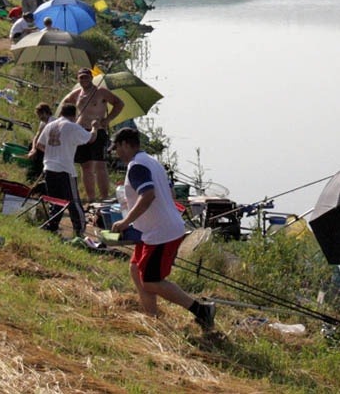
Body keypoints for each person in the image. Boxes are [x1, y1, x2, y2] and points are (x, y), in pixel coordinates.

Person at [110, 127, 215, 330]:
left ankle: (201, 310)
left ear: (125, 144)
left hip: (162, 234)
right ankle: (151, 318)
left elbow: (147, 195)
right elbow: (168, 192)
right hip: (152, 231)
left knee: (151, 281)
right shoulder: (151, 161)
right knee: (135, 268)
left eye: (117, 148)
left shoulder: (136, 166)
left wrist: (125, 222)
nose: (116, 153)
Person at [35, 103, 99, 236]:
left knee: (55, 201)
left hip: (49, 167)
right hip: (64, 169)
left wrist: (53, 153)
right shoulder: (72, 127)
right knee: (73, 201)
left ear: (61, 113)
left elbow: (39, 145)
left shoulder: (50, 125)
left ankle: (52, 226)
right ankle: (79, 229)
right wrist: (94, 127)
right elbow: (91, 138)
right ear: (74, 115)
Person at [62, 67, 124, 202]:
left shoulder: (101, 91)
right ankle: (91, 199)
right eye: (81, 77)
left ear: (91, 78)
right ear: (78, 79)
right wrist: (72, 119)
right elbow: (65, 103)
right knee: (86, 166)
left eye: (86, 77)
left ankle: (104, 197)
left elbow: (119, 103)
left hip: (98, 130)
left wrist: (108, 119)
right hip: (81, 131)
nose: (84, 79)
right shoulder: (77, 93)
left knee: (100, 165)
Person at [26, 102, 53, 184]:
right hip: (41, 146)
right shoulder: (43, 123)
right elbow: (36, 136)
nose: (39, 117)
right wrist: (33, 149)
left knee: (40, 156)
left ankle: (37, 176)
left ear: (45, 112)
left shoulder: (53, 122)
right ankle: (32, 175)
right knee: (31, 145)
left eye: (40, 114)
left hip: (49, 148)